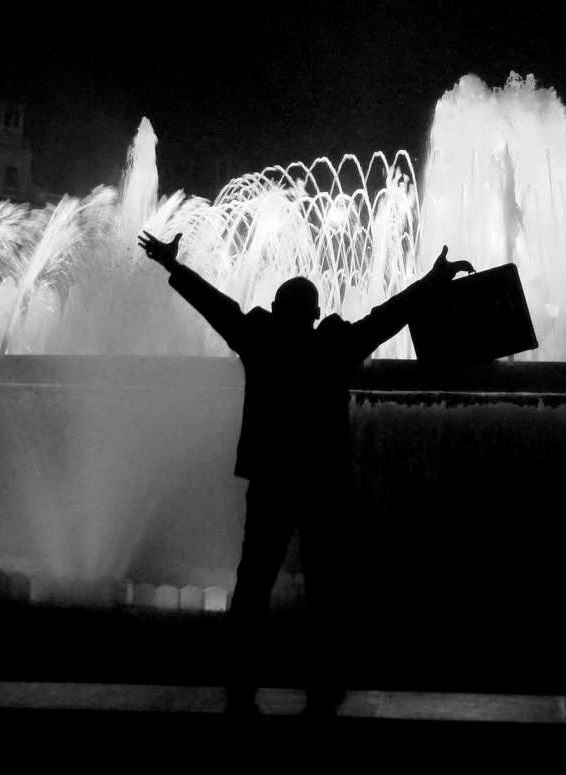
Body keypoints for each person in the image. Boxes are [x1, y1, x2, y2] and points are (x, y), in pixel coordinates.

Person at [138, 230, 473, 717]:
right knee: (326, 589)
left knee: (253, 586)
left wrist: (174, 266)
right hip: (322, 484)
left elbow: (217, 306)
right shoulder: (335, 348)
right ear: (316, 314)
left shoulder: (258, 339)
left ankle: (241, 683)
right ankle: (324, 686)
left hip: (272, 479)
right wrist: (434, 280)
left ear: (275, 309)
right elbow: (387, 317)